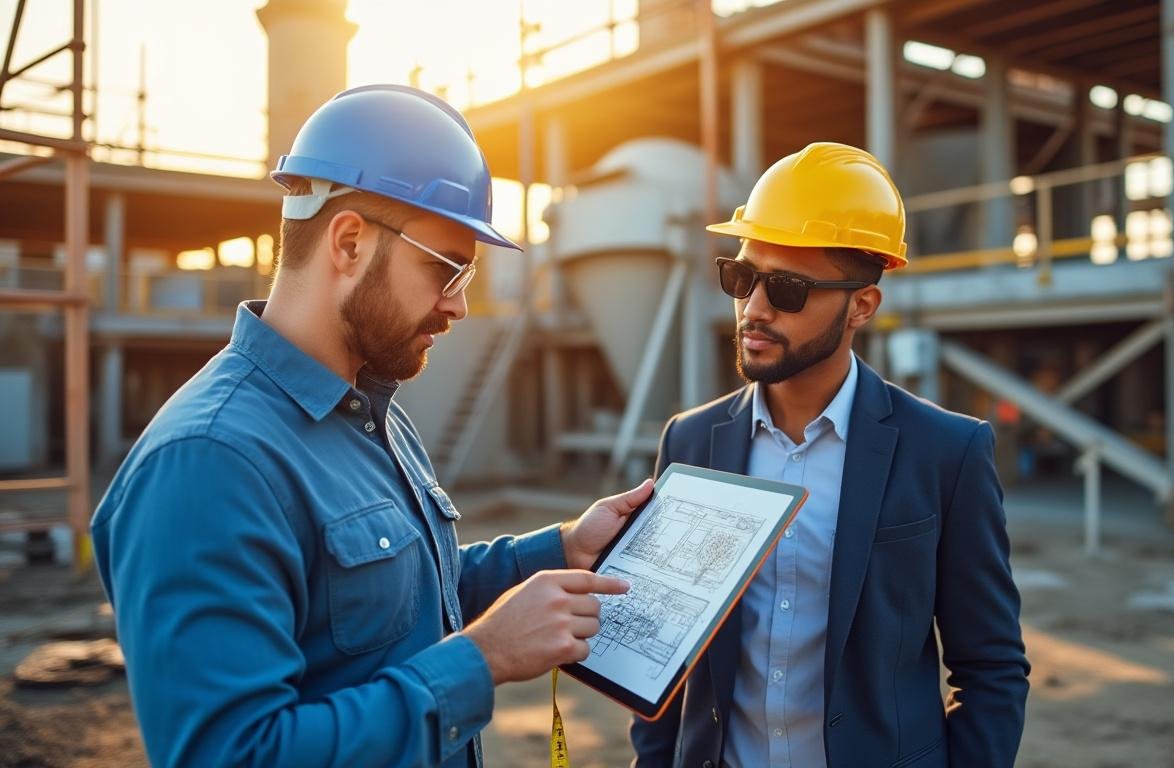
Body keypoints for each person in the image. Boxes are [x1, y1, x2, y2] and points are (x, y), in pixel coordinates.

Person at [91, 84, 651, 767]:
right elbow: (234, 755)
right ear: (349, 241)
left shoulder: (370, 413)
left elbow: (403, 599)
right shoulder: (209, 462)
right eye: (445, 269)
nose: (459, 306)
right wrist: (483, 658)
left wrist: (560, 549)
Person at [629, 142, 1029, 767]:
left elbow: (992, 668)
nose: (753, 308)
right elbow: (662, 654)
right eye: (741, 277)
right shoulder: (690, 442)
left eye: (787, 289)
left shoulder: (947, 452)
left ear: (861, 306)